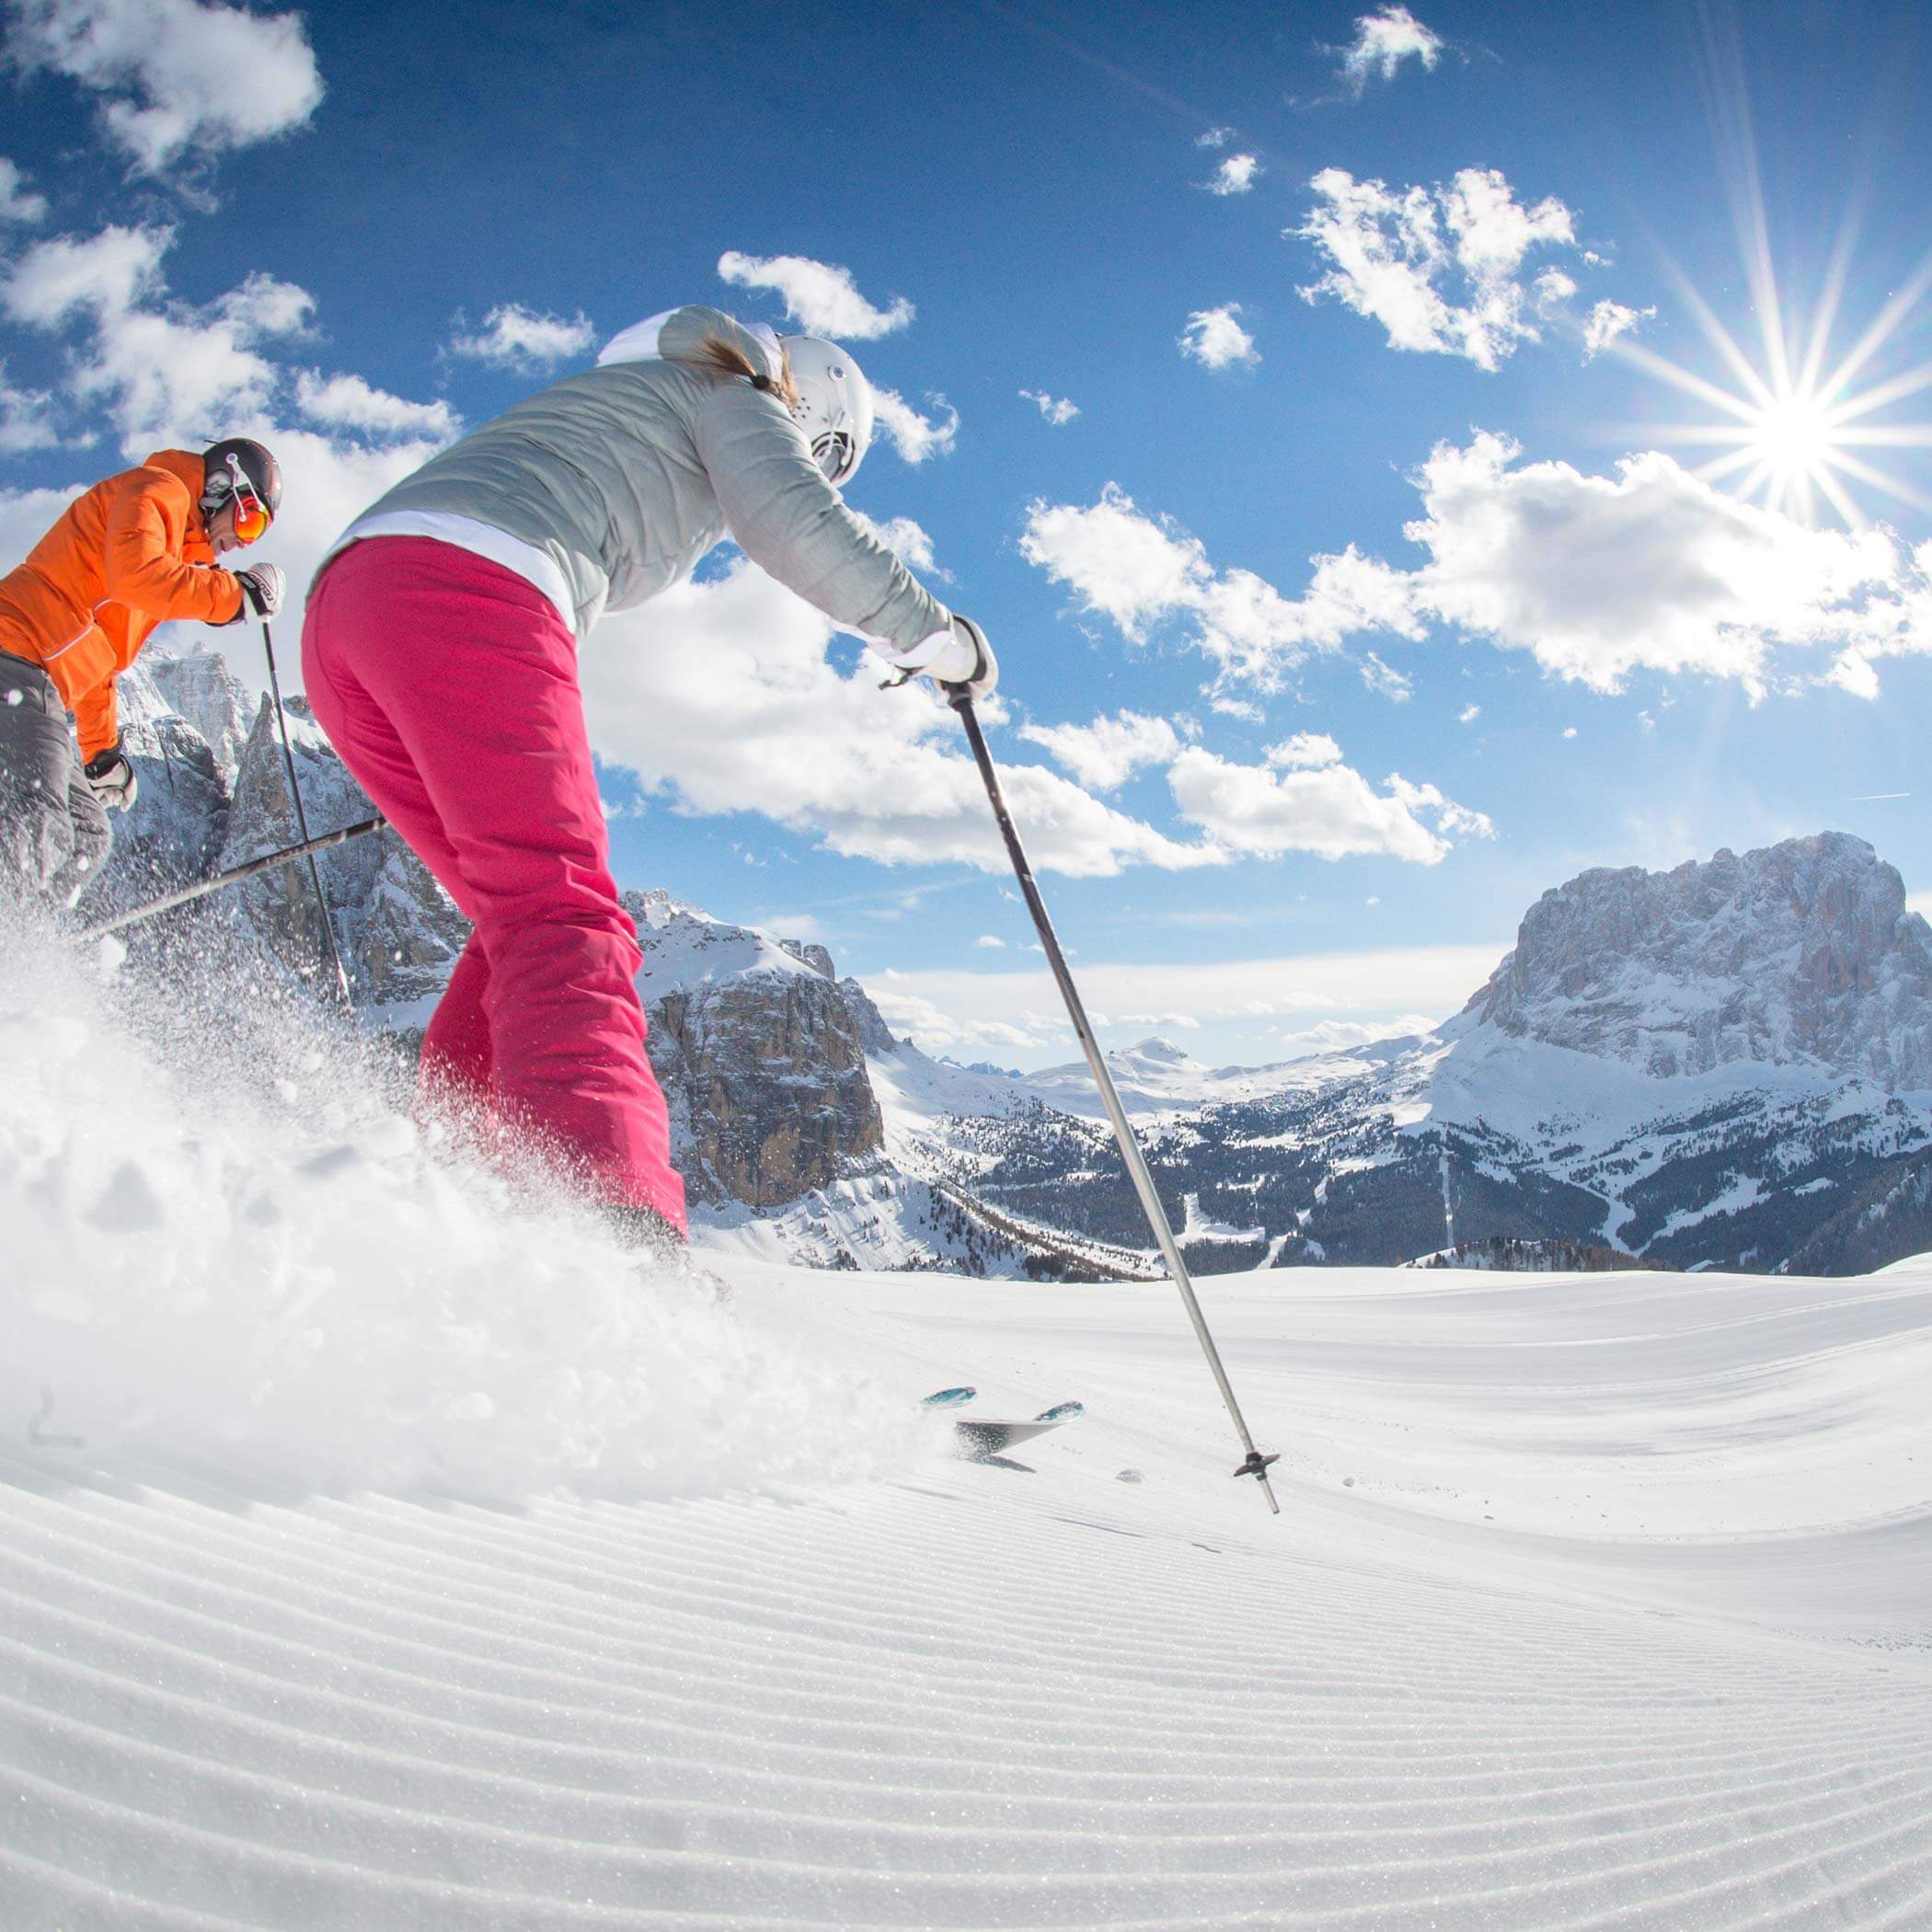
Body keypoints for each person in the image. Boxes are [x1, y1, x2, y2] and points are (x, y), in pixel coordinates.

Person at [303, 305, 995, 1245]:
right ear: (817, 412)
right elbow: (794, 522)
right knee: (566, 915)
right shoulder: (732, 391)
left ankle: (453, 1192)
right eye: (828, 455)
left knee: (513, 918)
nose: (817, 469)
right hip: (476, 587)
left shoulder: (631, 387)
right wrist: (938, 639)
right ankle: (608, 1228)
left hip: (348, 605)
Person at [0, 440, 286, 905]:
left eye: (256, 534)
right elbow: (137, 575)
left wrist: (101, 755)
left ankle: (25, 944)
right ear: (221, 485)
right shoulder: (157, 490)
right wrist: (232, 595)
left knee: (88, 836)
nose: (241, 541)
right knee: (39, 821)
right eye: (248, 518)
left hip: (40, 683)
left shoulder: (174, 559)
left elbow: (99, 662)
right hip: (13, 654)